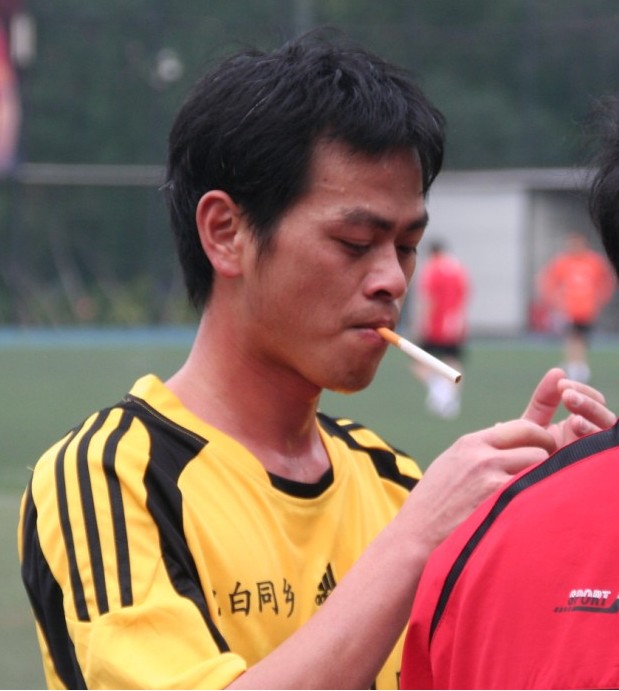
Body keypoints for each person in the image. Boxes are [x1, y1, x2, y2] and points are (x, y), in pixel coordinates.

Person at [17, 32, 616, 690]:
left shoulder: (391, 480)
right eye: (355, 242)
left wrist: (519, 516)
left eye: (406, 245)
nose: (392, 279)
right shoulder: (114, 475)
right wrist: (415, 538)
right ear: (225, 232)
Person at [400, 98, 619, 690]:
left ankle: (443, 395)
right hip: (461, 332)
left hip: (444, 329)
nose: (391, 278)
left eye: (406, 249)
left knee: (431, 366)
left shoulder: (474, 550)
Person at [537, 230, 615, 383]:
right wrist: (554, 300)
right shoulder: (563, 262)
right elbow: (549, 281)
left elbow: (606, 281)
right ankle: (573, 364)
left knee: (582, 338)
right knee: (571, 337)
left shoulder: (594, 262)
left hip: (587, 309)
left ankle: (578, 365)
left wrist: (601, 298)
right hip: (568, 309)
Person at [409, 240, 469, 418]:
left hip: (435, 324)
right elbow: (464, 297)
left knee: (417, 361)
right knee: (452, 361)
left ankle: (438, 389)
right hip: (455, 325)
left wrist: (420, 323)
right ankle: (450, 399)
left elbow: (429, 299)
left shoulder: (432, 268)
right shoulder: (458, 269)